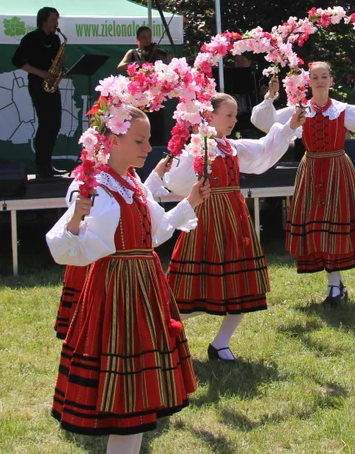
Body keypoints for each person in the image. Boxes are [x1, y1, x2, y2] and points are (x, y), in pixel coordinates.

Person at [46, 106, 209, 453]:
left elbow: (156, 231)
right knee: (125, 399)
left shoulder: (132, 182)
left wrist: (190, 200)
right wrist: (76, 218)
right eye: (139, 140)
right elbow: (69, 248)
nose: (148, 147)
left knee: (140, 396)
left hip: (144, 284)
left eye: (148, 139)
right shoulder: (94, 184)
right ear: (112, 140)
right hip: (117, 288)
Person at [162, 93, 305, 361]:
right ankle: (161, 337)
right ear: (210, 116)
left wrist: (290, 127)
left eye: (235, 114)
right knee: (192, 288)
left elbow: (264, 149)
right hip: (207, 218)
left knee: (241, 284)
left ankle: (221, 343)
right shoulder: (198, 146)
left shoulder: (231, 146)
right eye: (228, 115)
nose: (233, 119)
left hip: (234, 217)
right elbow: (175, 182)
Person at [252, 62, 355, 303]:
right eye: (315, 77)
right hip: (311, 170)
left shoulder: (342, 109)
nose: (319, 81)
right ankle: (335, 283)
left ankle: (333, 285)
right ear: (308, 81)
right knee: (318, 225)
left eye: (324, 76)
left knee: (334, 223)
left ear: (331, 81)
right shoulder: (298, 110)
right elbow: (266, 123)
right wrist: (271, 96)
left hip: (337, 169)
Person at [54, 156, 176, 340]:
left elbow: (134, 205)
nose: (147, 148)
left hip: (122, 260)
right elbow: (81, 212)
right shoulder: (93, 178)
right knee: (95, 323)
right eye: (138, 140)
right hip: (98, 260)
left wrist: (157, 174)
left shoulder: (127, 176)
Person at [12, 7, 63, 179]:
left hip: (51, 85)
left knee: (55, 123)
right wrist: (41, 73)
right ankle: (40, 165)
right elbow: (17, 61)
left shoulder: (55, 39)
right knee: (45, 123)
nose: (56, 23)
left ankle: (48, 163)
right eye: (54, 19)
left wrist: (59, 66)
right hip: (37, 84)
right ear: (43, 21)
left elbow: (55, 61)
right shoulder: (31, 38)